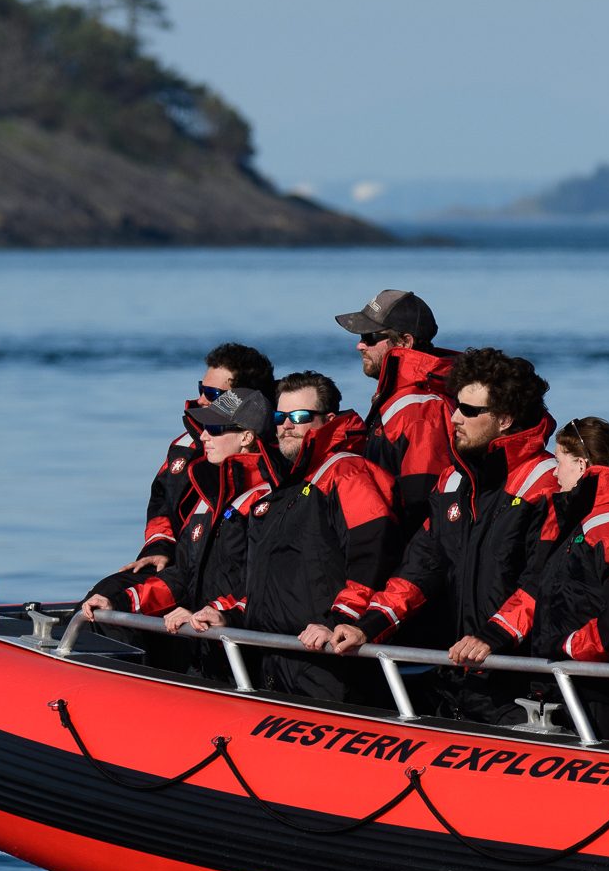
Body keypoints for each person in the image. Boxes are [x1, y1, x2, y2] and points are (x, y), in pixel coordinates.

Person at [310, 348, 560, 724]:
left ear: (505, 419)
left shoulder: (546, 484)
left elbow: (544, 582)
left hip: (518, 679)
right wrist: (368, 628)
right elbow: (419, 570)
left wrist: (493, 636)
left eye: (470, 411)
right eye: (457, 406)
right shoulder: (453, 482)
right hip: (460, 671)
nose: (455, 417)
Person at [186, 372, 399, 703]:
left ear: (327, 420)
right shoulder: (284, 487)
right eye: (280, 418)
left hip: (326, 658)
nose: (287, 425)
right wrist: (229, 614)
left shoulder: (347, 473)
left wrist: (338, 621)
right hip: (276, 655)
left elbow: (374, 560)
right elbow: (267, 583)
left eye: (300, 417)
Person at [474, 417, 609, 744]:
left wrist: (570, 646)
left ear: (581, 463)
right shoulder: (586, 524)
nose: (554, 473)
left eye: (559, 461)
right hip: (584, 686)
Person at [80, 388, 277, 678]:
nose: (204, 437)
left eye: (213, 429)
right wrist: (122, 602)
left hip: (244, 651)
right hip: (204, 642)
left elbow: (267, 586)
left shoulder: (270, 501)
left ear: (246, 437)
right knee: (107, 593)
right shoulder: (208, 498)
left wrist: (213, 611)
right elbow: (183, 574)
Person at [133, 342, 277, 573]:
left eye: (211, 394)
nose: (200, 399)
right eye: (201, 388)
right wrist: (158, 545)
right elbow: (161, 499)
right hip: (172, 567)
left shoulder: (272, 459)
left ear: (241, 398)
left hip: (225, 583)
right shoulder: (184, 446)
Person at [334, 289, 459, 542]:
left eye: (369, 337)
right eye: (361, 336)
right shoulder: (398, 398)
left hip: (401, 557)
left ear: (405, 343)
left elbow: (421, 507)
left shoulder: (422, 411)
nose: (360, 345)